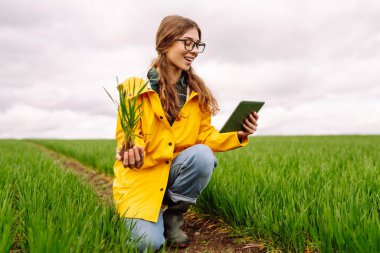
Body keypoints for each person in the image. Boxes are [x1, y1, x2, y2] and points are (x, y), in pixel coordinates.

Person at [113, 15, 259, 252]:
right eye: (187, 42)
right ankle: (140, 217)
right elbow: (127, 134)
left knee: (202, 155)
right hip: (142, 181)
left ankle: (173, 218)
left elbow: (205, 137)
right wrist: (133, 149)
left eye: (197, 45)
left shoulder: (196, 95)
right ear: (165, 43)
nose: (194, 51)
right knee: (146, 244)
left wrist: (238, 133)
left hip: (172, 174)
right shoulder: (133, 89)